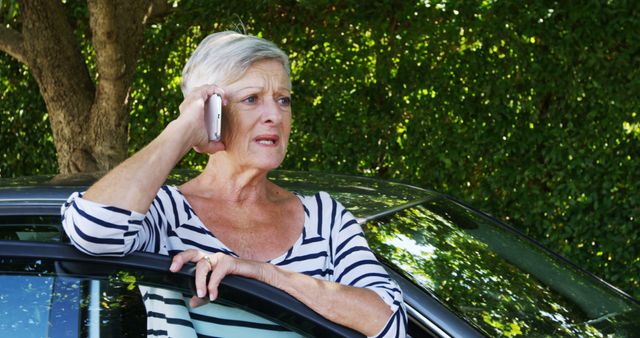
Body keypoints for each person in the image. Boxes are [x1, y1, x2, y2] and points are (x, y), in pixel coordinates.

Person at [61, 31, 406, 337]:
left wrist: (264, 275)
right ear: (212, 113)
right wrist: (182, 129)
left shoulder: (324, 217)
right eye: (252, 99)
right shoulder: (167, 212)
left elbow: (389, 322)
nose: (275, 114)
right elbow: (93, 231)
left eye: (283, 99)